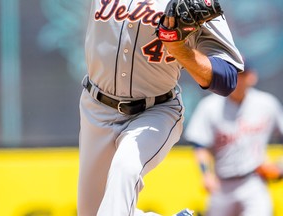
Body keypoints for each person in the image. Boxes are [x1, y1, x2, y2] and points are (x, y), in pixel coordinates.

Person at [77, 0, 244, 215]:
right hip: (96, 107)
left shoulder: (191, 1)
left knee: (125, 168)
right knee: (93, 211)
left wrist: (179, 48)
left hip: (154, 111)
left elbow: (227, 79)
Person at [184, 62, 283, 216]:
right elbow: (199, 145)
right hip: (222, 184)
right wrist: (206, 174)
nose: (238, 80)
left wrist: (280, 166)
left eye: (242, 75)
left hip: (254, 180)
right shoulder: (210, 106)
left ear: (252, 77)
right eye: (234, 75)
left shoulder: (266, 103)